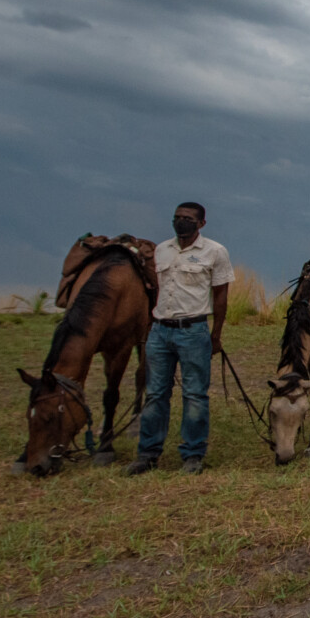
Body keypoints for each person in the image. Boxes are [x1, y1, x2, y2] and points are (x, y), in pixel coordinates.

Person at [127, 202, 233, 476]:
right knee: (155, 394)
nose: (181, 222)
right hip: (160, 330)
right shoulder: (162, 250)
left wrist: (216, 334)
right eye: (177, 217)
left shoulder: (215, 252)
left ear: (201, 224)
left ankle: (193, 455)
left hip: (194, 330)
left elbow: (220, 296)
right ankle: (148, 454)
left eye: (188, 218)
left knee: (195, 394)